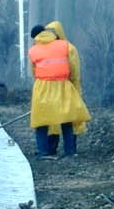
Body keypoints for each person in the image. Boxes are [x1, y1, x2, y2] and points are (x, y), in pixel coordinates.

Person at [28, 20, 91, 158]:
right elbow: (74, 70)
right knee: (66, 118)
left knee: (41, 121)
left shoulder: (33, 50)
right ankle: (70, 151)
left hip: (42, 86)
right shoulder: (66, 46)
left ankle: (43, 152)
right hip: (63, 85)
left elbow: (34, 71)